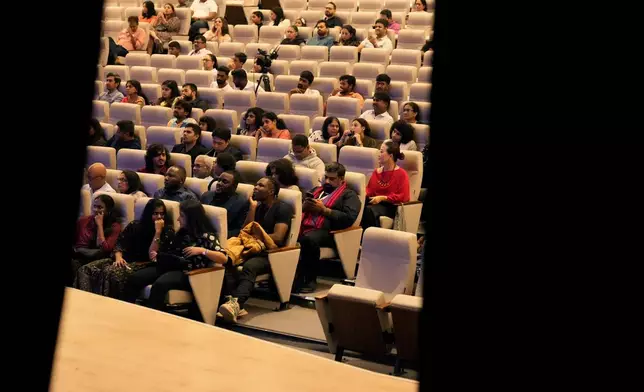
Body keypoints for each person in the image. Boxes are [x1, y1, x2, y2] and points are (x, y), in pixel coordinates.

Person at [124, 199, 227, 315]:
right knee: (135, 278)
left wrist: (202, 251)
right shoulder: (182, 232)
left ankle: (150, 318)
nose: (178, 219)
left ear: (191, 218)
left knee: (160, 285)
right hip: (171, 265)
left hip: (189, 273)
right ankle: (128, 312)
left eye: (181, 216)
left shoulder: (206, 236)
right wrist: (159, 255)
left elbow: (223, 258)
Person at [218, 176, 293, 322]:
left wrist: (257, 237)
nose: (255, 187)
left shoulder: (283, 208)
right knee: (226, 258)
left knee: (250, 266)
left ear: (271, 191)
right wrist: (252, 208)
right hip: (251, 248)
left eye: (260, 185)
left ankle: (236, 304)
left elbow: (278, 237)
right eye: (255, 184)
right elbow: (245, 230)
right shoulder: (257, 206)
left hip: (271, 253)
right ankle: (231, 300)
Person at [74, 199, 174, 298]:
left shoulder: (167, 231)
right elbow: (120, 243)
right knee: (86, 269)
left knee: (111, 273)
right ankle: (85, 300)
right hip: (123, 258)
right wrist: (118, 257)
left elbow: (153, 255)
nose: (159, 217)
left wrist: (158, 232)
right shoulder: (135, 225)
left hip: (143, 264)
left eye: (162, 214)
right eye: (155, 213)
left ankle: (107, 305)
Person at [294, 162, 360, 293]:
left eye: (332, 179)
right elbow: (298, 209)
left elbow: (347, 220)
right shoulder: (316, 191)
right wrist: (303, 207)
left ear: (341, 180)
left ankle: (309, 279)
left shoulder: (349, 195)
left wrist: (324, 210)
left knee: (308, 239)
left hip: (331, 232)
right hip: (306, 226)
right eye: (326, 177)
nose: (328, 181)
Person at [71, 194, 122, 285]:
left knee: (83, 269)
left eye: (100, 207)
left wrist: (100, 226)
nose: (96, 210)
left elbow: (105, 248)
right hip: (80, 255)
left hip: (100, 258)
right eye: (94, 206)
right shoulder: (83, 221)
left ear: (108, 210)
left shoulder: (115, 226)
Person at [361, 140, 410, 231]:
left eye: (381, 151)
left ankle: (371, 239)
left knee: (368, 211)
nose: (378, 154)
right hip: (375, 202)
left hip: (391, 206)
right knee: (358, 205)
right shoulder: (377, 172)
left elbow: (404, 197)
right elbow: (369, 190)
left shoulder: (401, 174)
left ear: (390, 156)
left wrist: (383, 198)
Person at [201, 170, 250, 237]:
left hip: (224, 237)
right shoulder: (206, 196)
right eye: (219, 180)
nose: (219, 183)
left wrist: (220, 236)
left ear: (234, 186)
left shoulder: (241, 203)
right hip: (202, 233)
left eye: (225, 182)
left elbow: (240, 229)